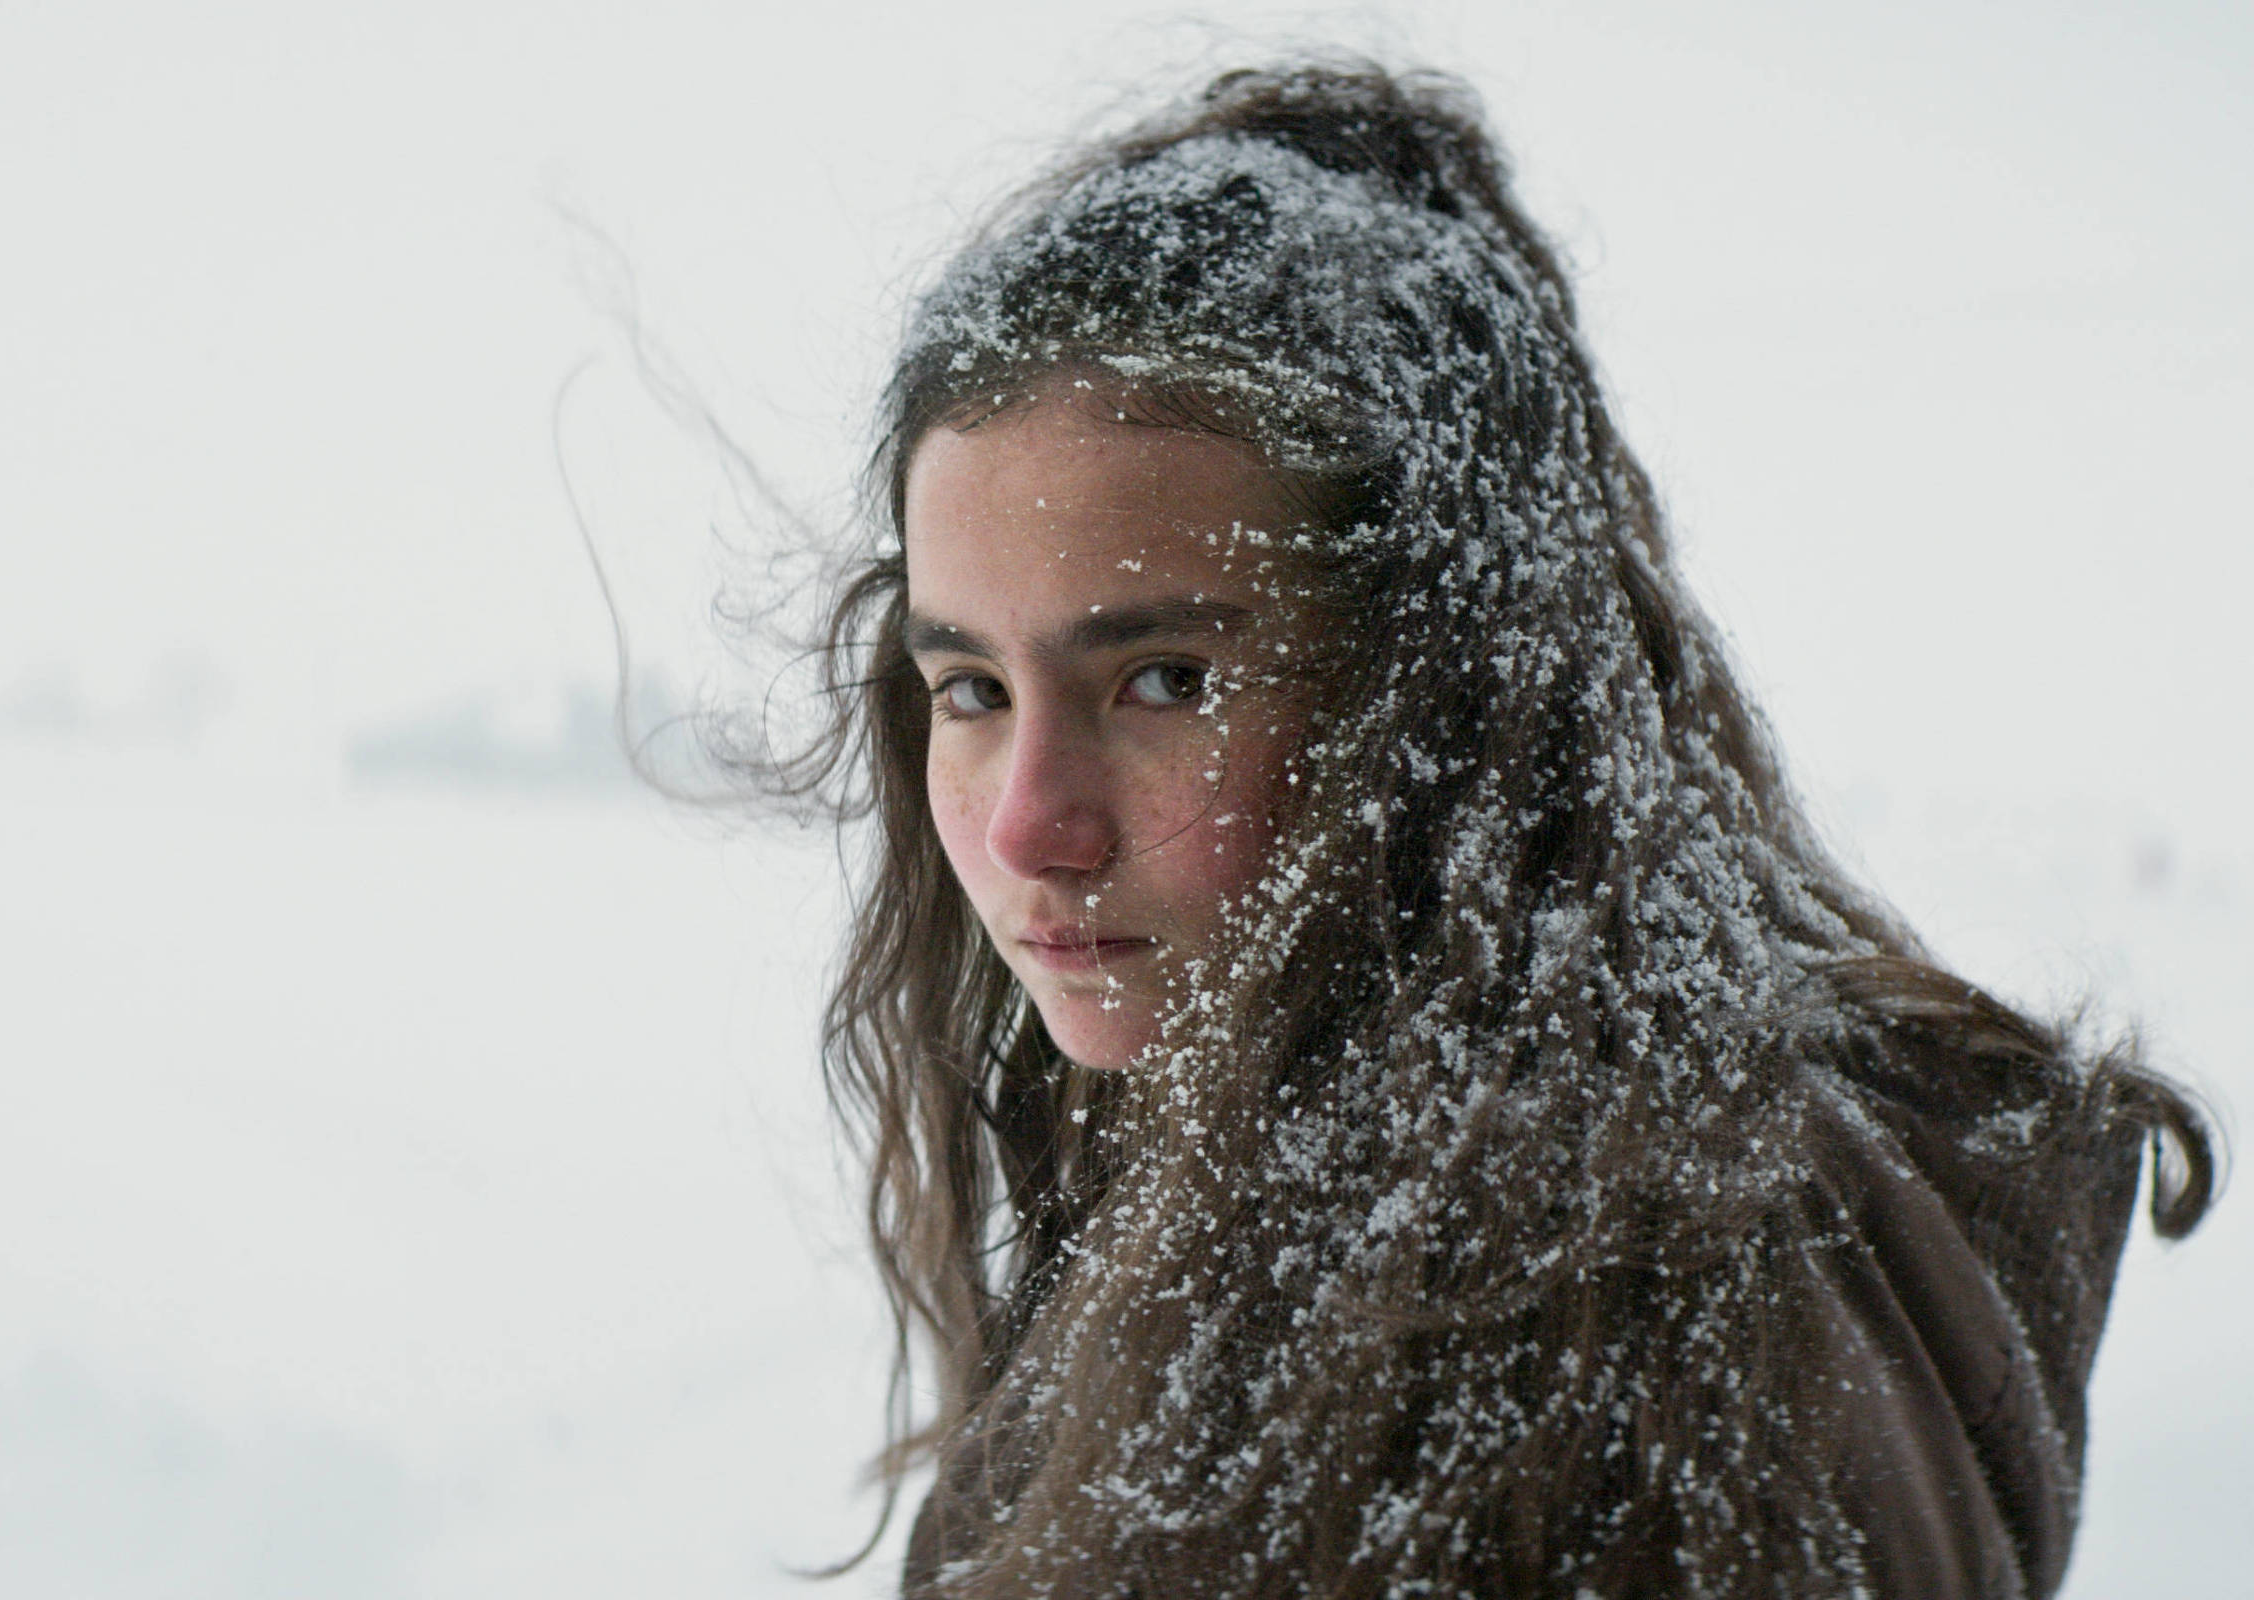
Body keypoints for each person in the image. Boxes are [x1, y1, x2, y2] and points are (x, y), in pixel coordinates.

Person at [741, 62, 2216, 1598]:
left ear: (1451, 702)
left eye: (1167, 680)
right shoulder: (1726, 1164)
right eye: (969, 687)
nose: (1031, 825)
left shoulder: (1520, 1399)